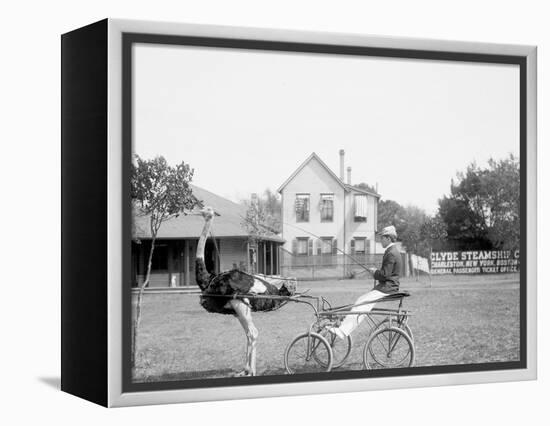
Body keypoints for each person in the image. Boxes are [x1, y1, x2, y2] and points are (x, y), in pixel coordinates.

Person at [328, 225, 402, 339]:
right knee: (361, 302)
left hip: (387, 287)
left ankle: (343, 331)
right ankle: (344, 328)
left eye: (382, 237)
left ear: (388, 238)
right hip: (388, 286)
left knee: (361, 303)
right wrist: (376, 272)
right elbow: (387, 273)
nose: (380, 240)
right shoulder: (393, 251)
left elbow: (384, 275)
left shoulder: (391, 253)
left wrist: (375, 272)